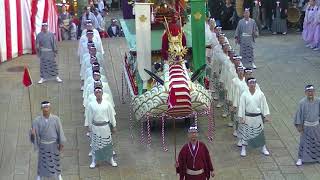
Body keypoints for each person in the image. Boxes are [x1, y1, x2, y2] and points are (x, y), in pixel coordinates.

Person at [30, 101, 66, 180]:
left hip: (53, 144)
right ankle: (39, 175)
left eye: (47, 108)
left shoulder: (56, 119)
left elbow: (60, 131)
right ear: (41, 109)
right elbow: (33, 135)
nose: (46, 109)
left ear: (50, 108)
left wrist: (61, 143)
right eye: (44, 108)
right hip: (43, 145)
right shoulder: (36, 121)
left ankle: (58, 174)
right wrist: (33, 134)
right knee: (42, 162)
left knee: (55, 160)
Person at [237, 78, 271, 157]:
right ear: (248, 84)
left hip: (257, 117)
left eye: (254, 83)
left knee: (259, 132)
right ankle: (243, 148)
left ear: (255, 84)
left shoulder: (260, 94)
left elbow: (264, 105)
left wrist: (266, 115)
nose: (252, 84)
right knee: (246, 132)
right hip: (248, 116)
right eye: (250, 83)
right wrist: (241, 117)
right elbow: (242, 106)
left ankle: (263, 147)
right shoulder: (244, 94)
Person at [86, 86, 117, 168]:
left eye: (100, 92)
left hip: (105, 127)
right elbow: (89, 116)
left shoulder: (107, 104)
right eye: (96, 92)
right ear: (95, 94)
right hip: (95, 127)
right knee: (95, 144)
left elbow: (111, 116)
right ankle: (94, 160)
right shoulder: (91, 105)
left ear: (102, 93)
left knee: (107, 143)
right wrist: (89, 126)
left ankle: (111, 159)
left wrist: (114, 125)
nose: (98, 94)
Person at [294, 85, 320, 166]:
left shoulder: (318, 101)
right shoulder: (302, 102)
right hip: (306, 126)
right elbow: (298, 115)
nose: (310, 93)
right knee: (303, 142)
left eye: (312, 91)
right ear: (306, 92)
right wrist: (299, 126)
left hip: (316, 126)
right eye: (309, 91)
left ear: (314, 92)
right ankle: (300, 158)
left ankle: (318, 158)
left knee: (317, 142)